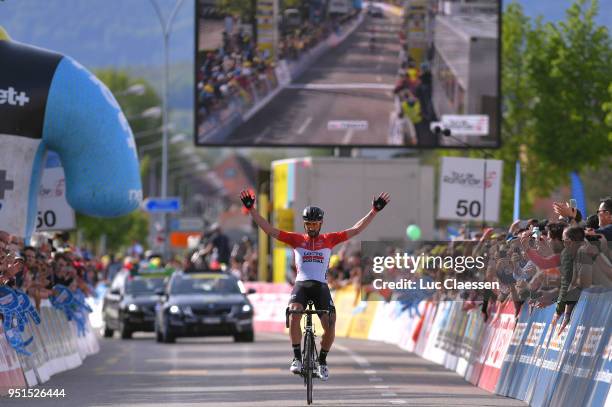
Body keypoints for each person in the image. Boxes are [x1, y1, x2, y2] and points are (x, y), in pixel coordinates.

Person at [239, 189, 390, 381]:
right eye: (308, 224)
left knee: (330, 324)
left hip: (320, 287)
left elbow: (356, 229)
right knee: (294, 313)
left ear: (321, 224)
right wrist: (252, 210)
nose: (311, 227)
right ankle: (296, 358)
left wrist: (374, 212)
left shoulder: (329, 239)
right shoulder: (296, 239)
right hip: (301, 285)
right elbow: (269, 229)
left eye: (315, 224)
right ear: (304, 224)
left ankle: (322, 361)